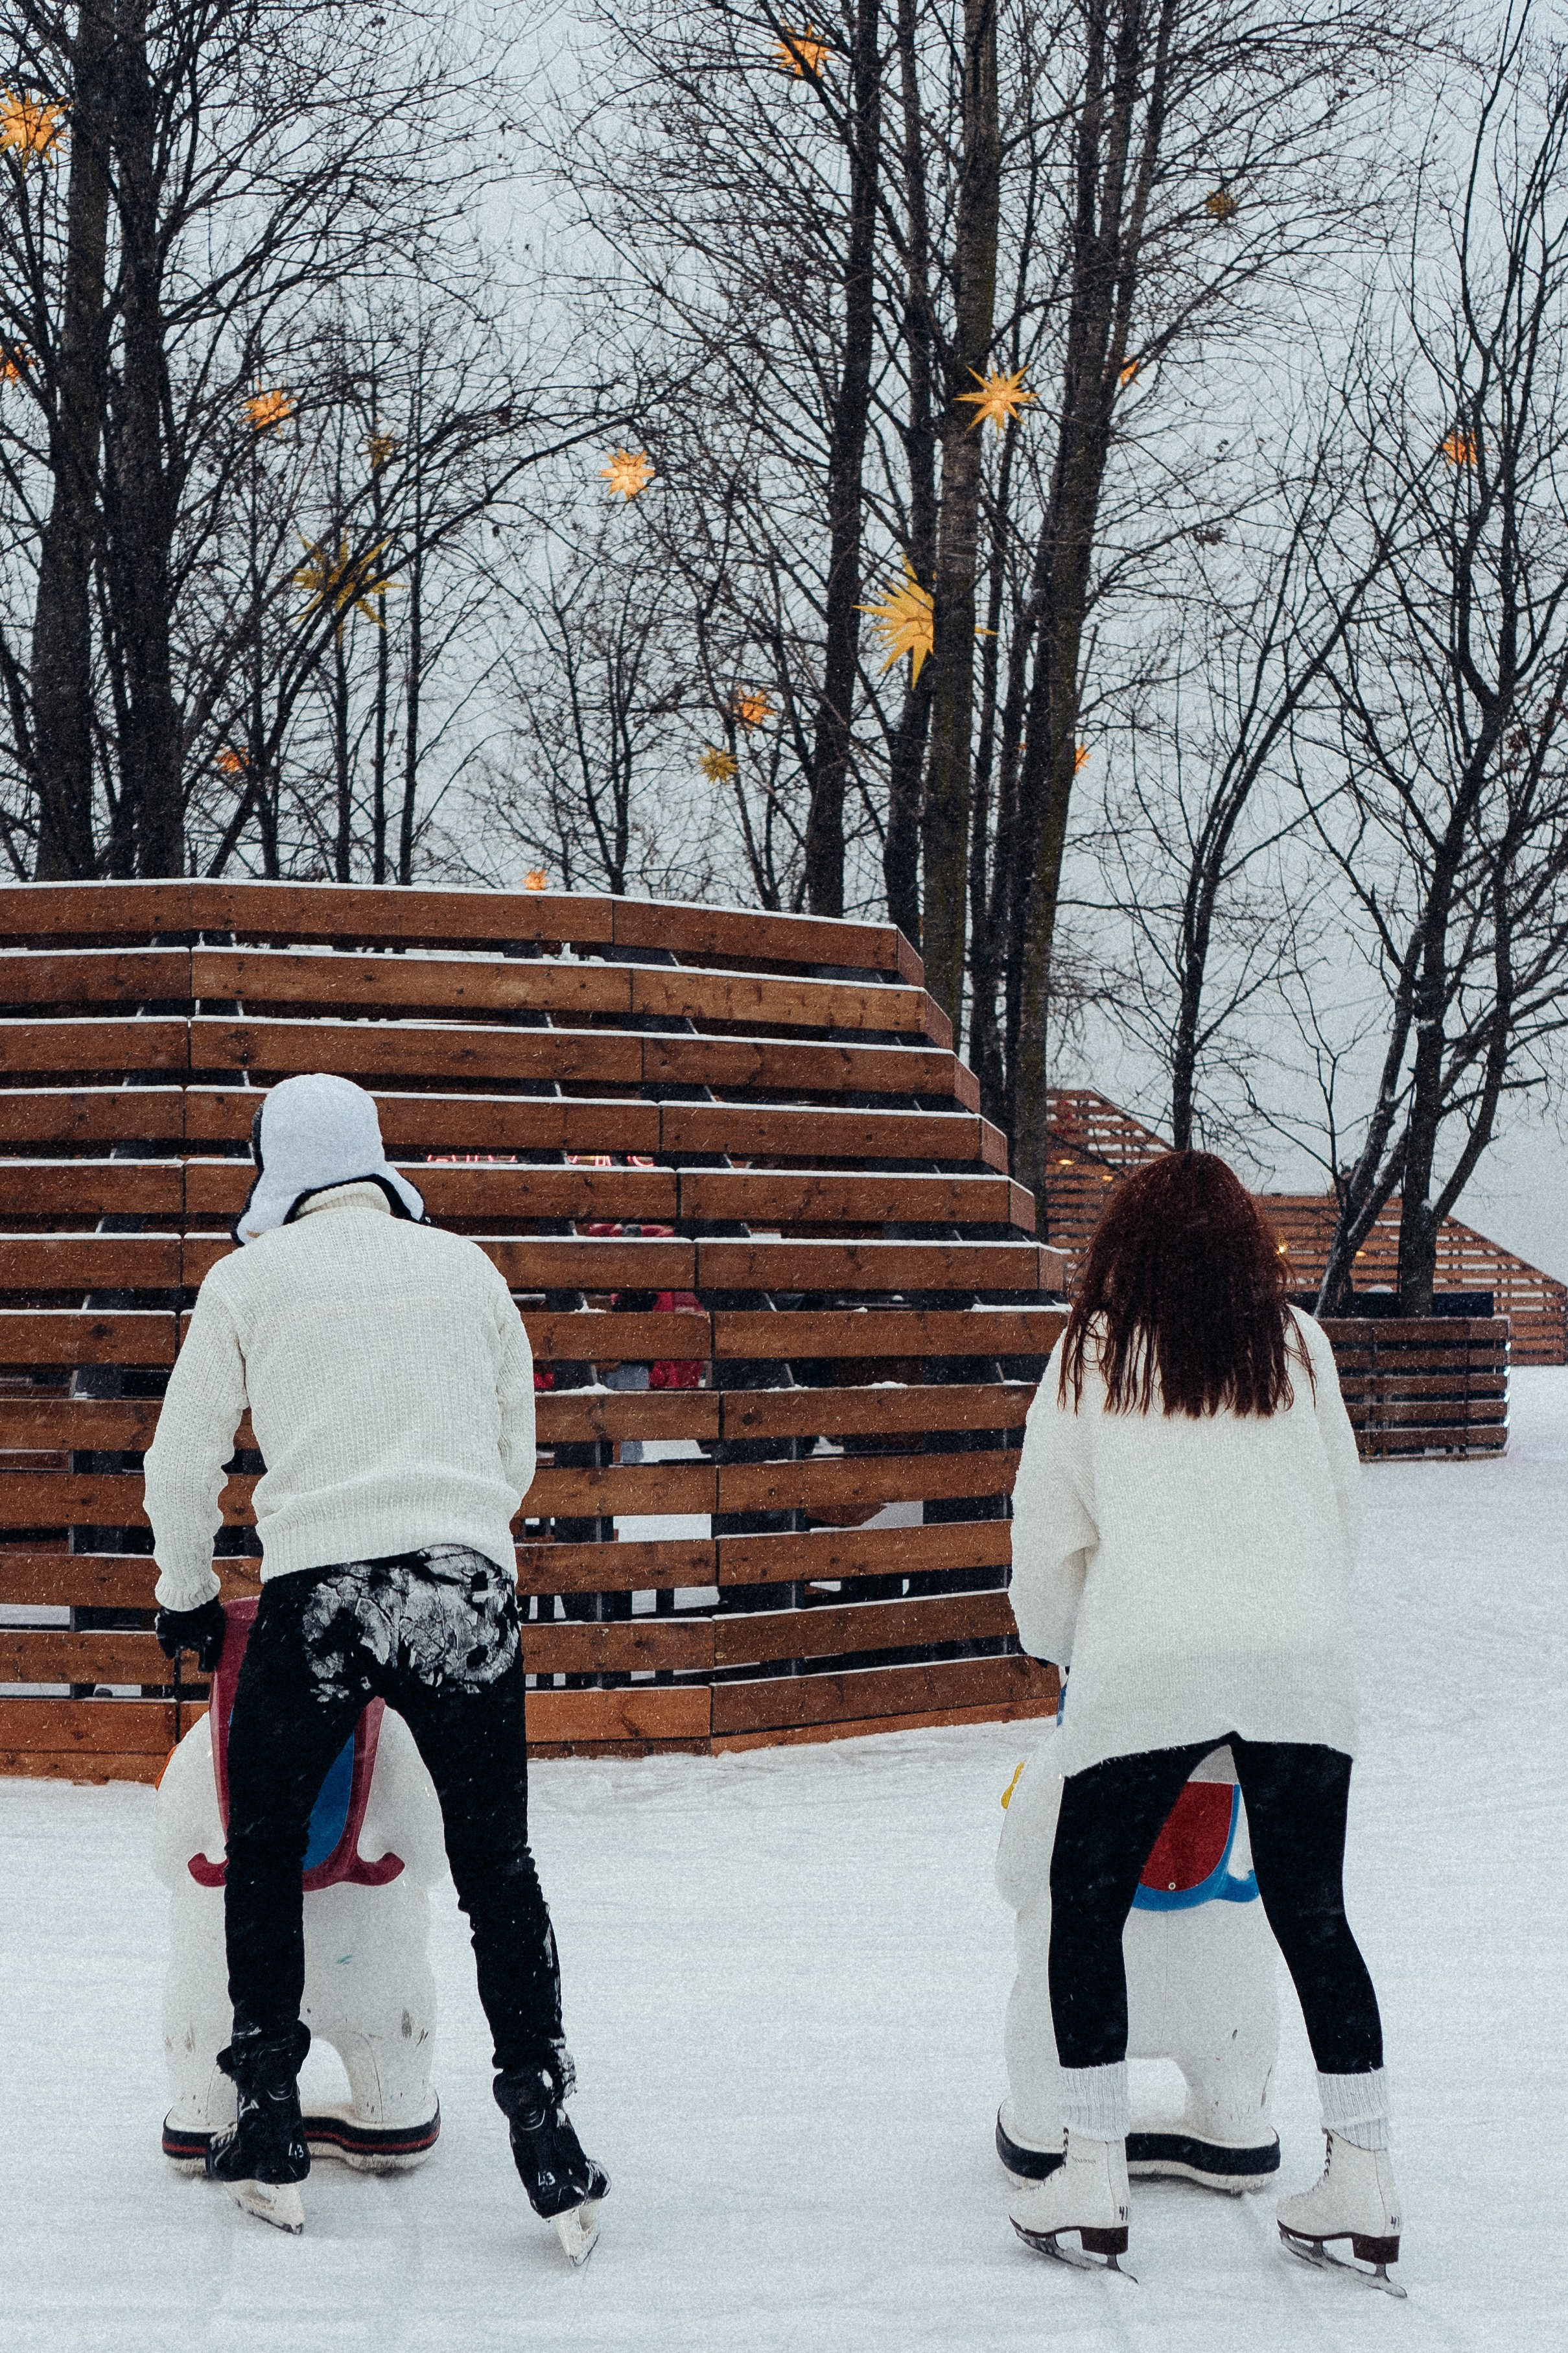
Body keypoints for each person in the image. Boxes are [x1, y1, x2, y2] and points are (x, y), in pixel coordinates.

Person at [145, 1072, 609, 2254]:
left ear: (275, 1166)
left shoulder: (245, 1280)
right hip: (463, 1584)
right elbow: (517, 1441)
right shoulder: (466, 1267)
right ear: (373, 1154)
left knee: (259, 1838)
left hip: (321, 1594)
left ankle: (268, 2112)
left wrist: (188, 1596)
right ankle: (544, 2119)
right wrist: (465, 1534)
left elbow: (179, 1459)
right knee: (497, 1860)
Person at [1005, 1150, 1402, 2291]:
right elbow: (1342, 1508)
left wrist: (1068, 1639)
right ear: (1244, 1247)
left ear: (1122, 1249)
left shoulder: (1090, 1355)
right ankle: (1363, 2172)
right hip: (1300, 1666)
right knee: (1314, 1918)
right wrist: (1292, 1627)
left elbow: (1049, 1534)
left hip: (1150, 1665)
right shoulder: (1300, 1348)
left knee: (1084, 1908)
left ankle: (1091, 2169)